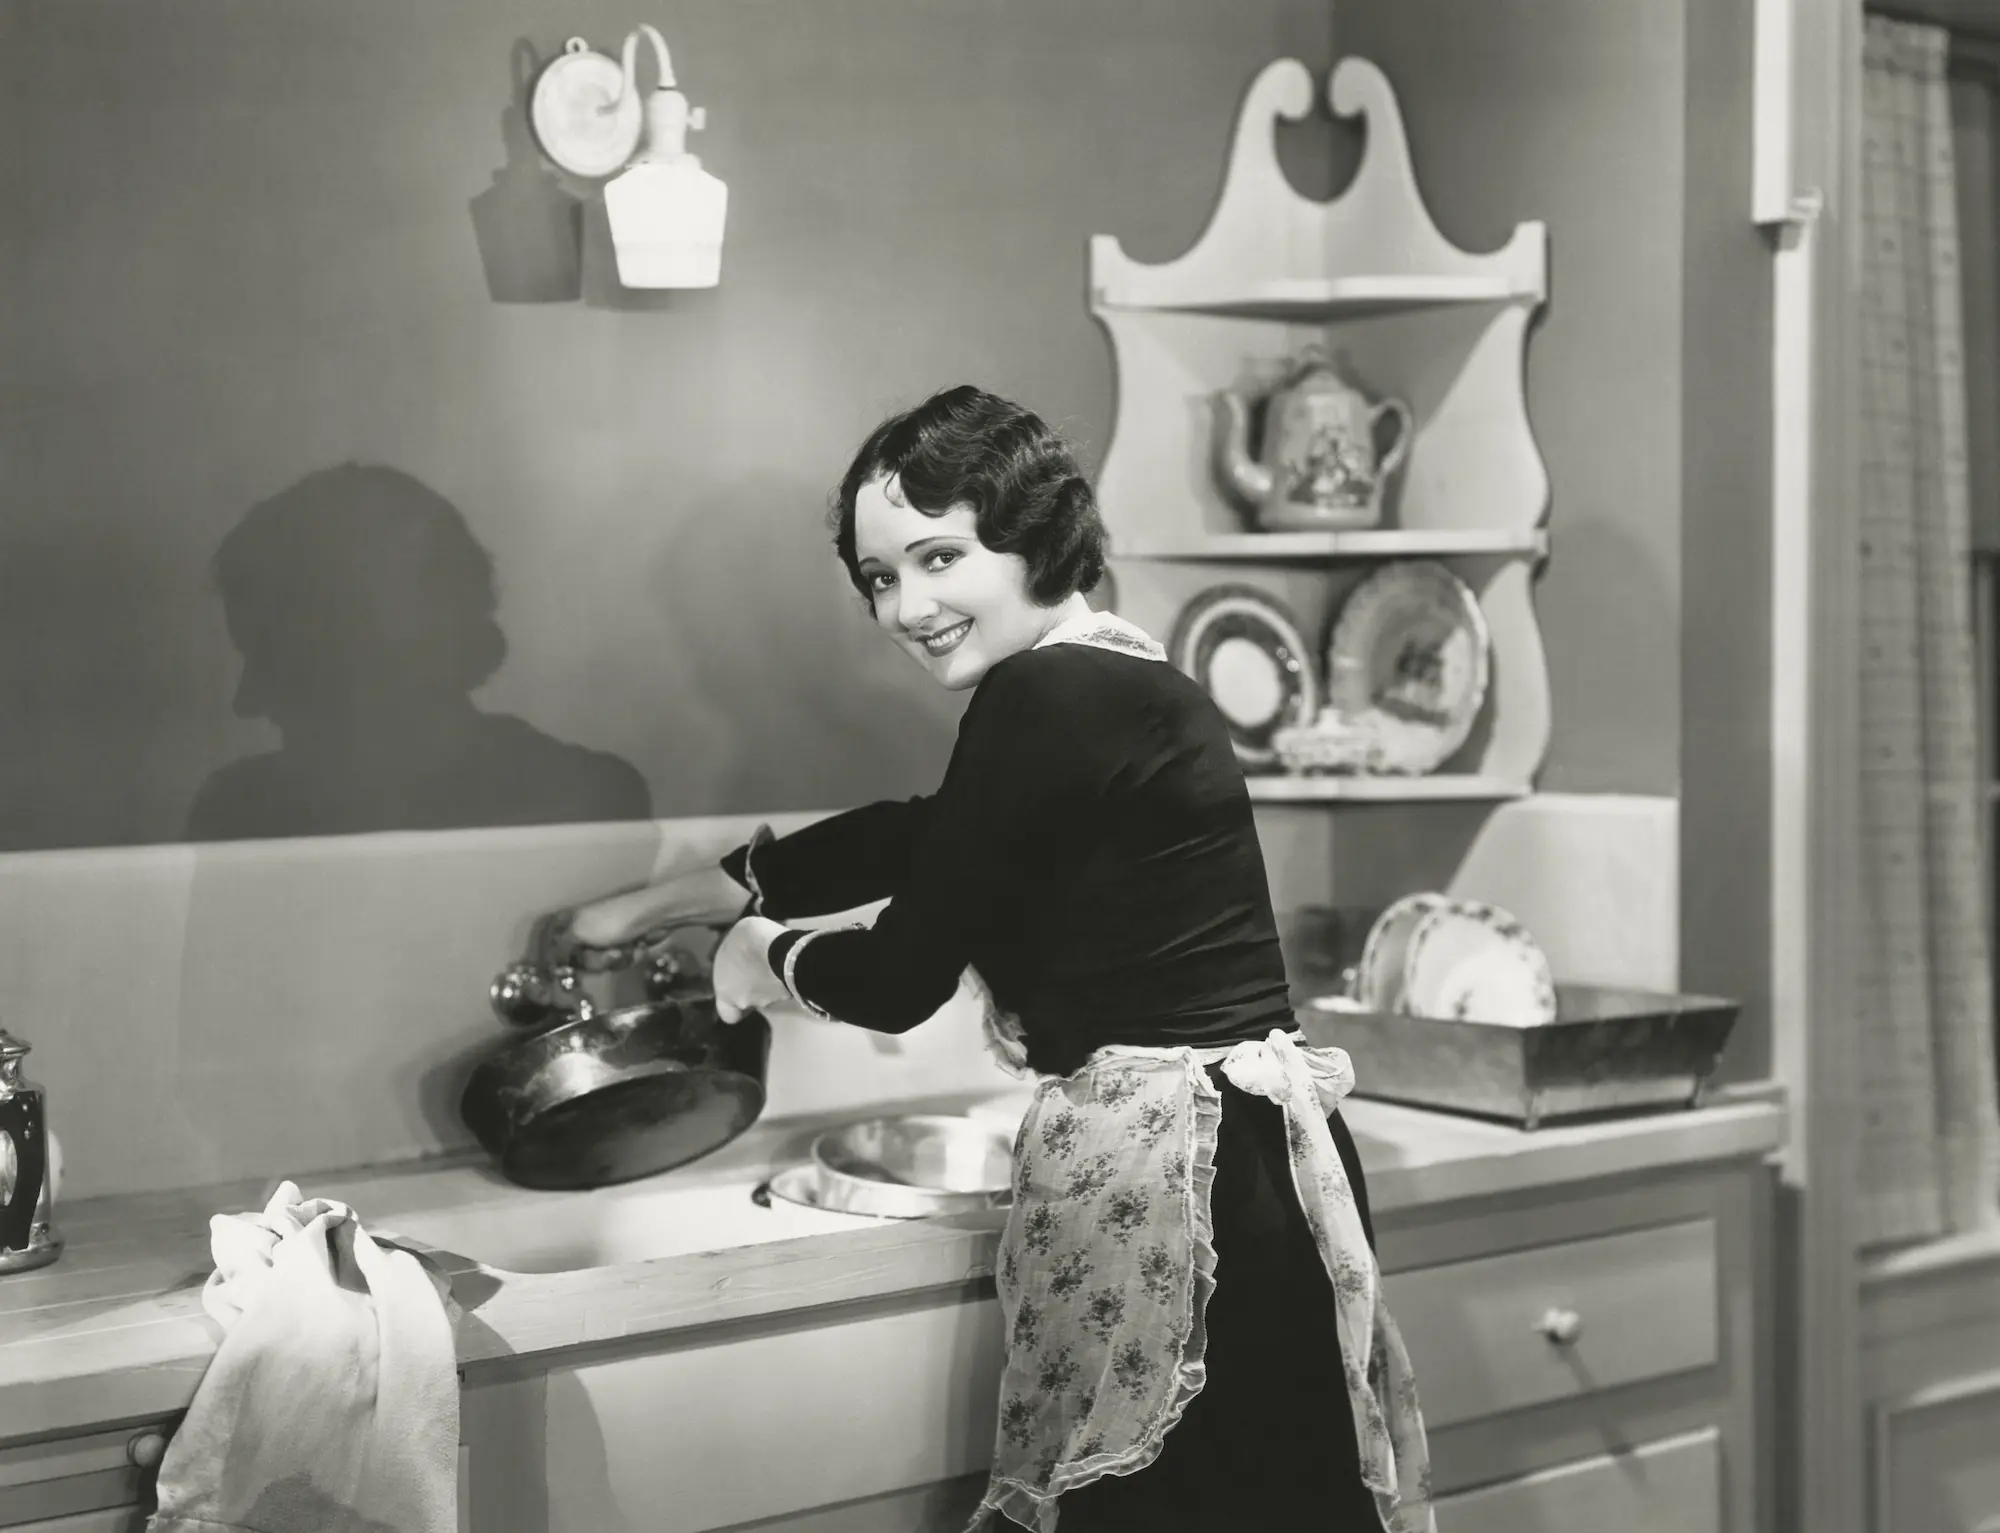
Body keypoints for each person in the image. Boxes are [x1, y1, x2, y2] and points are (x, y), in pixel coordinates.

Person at [568, 386, 1434, 1532]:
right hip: (1248, 1165)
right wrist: (704, 889)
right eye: (878, 578)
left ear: (1031, 535)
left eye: (939, 558)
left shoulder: (1042, 692)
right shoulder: (1110, 672)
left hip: (1177, 1179)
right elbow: (932, 834)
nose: (905, 606)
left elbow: (897, 980)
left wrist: (756, 957)